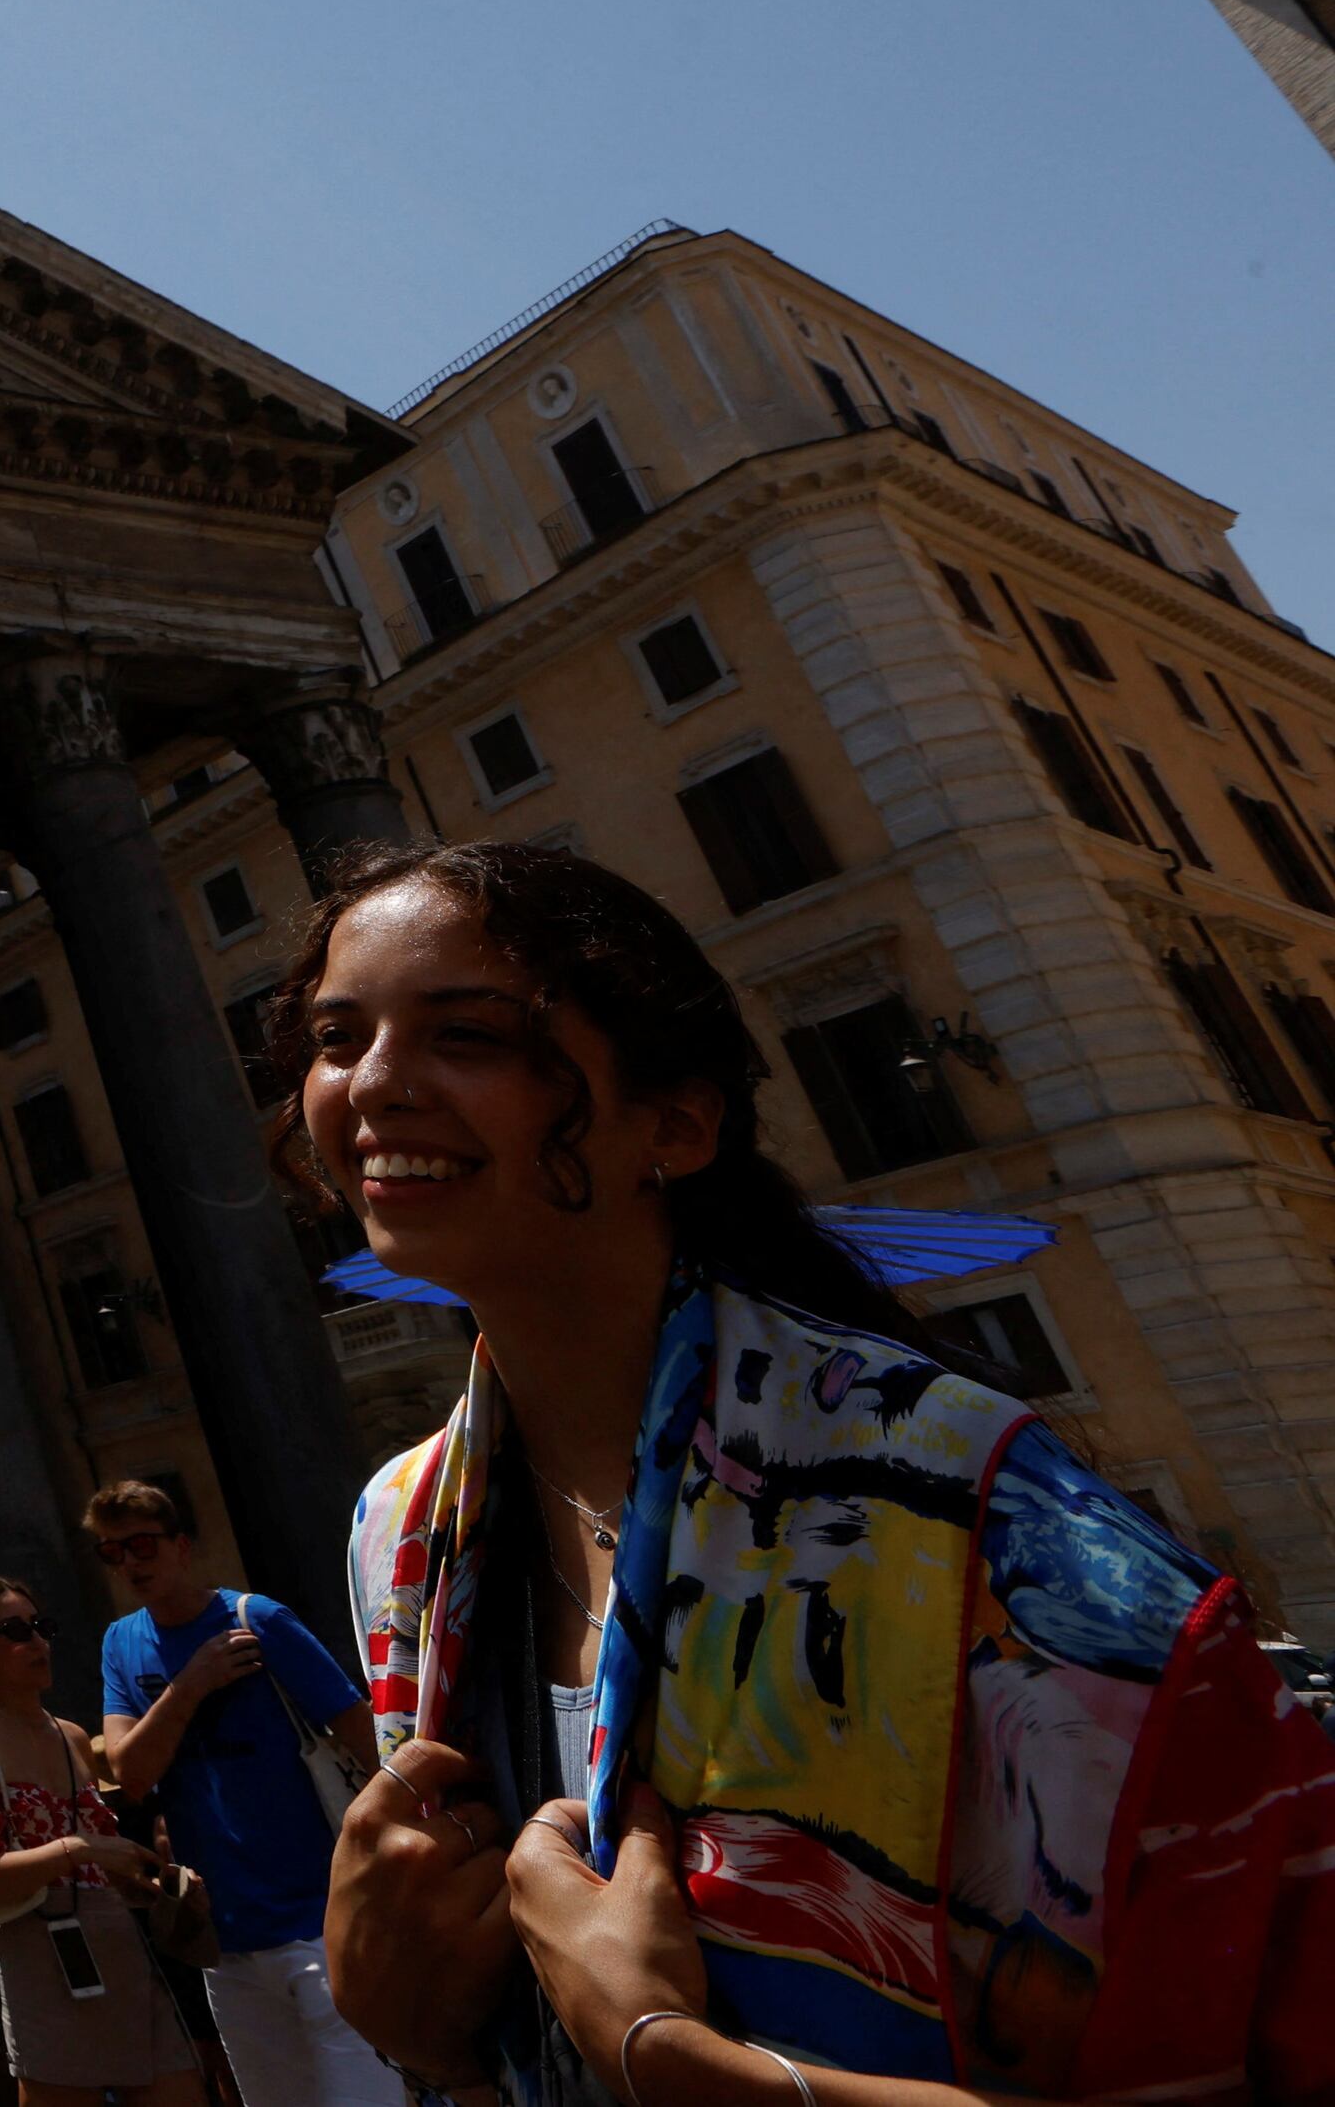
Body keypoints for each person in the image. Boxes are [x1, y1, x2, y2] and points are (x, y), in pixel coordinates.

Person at [294, 841, 1335, 2103]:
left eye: (464, 1036)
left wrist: (673, 2064)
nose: (372, 1086)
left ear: (674, 1123)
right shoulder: (396, 1527)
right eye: (337, 1036)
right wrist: (406, 2022)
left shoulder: (986, 1519)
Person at [79, 1476, 386, 2107]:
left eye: (141, 1546)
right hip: (226, 1945)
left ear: (182, 1545)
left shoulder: (259, 1621)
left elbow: (366, 1738)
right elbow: (130, 1772)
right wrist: (190, 1684)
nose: (129, 1564)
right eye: (112, 1553)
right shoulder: (120, 1643)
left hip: (323, 1922)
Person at [0, 1573, 201, 2107]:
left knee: (181, 2088)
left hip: (117, 1941)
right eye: (15, 1631)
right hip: (38, 1948)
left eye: (41, 1626)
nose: (37, 1641)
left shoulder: (73, 1735)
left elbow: (104, 1865)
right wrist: (78, 1849)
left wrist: (148, 1882)